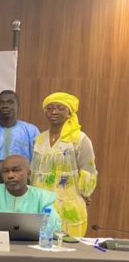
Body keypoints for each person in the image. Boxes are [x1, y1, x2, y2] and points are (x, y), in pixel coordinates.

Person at [30, 92, 97, 237]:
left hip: (69, 207)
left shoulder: (80, 139)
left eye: (60, 108)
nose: (54, 112)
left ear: (69, 112)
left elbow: (88, 170)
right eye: (49, 108)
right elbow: (33, 172)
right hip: (40, 205)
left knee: (68, 247)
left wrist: (86, 193)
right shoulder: (38, 139)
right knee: (40, 246)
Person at [0, 155, 61, 232]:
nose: (10, 175)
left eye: (16, 170)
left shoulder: (43, 197)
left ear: (28, 174)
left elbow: (54, 228)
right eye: (6, 171)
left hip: (29, 246)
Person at [0, 90, 39, 160]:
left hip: (22, 167)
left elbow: (37, 160)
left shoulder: (31, 131)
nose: (5, 106)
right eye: (1, 103)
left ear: (18, 105)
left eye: (10, 102)